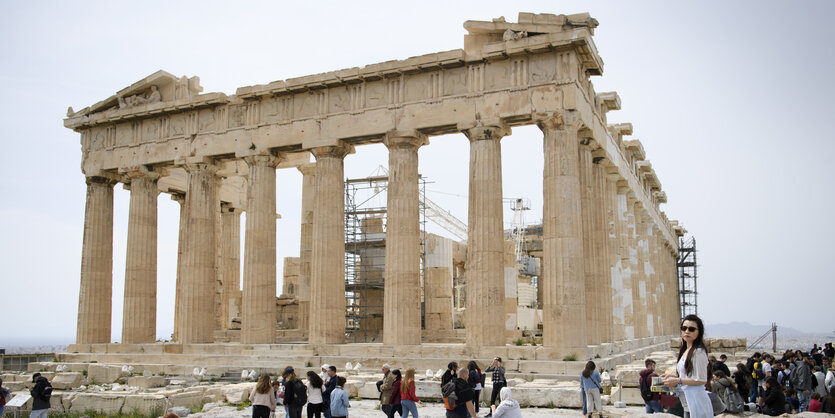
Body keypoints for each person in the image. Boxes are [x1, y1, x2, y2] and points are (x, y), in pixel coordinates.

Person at [662, 314, 712, 418]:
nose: (687, 331)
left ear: (699, 332)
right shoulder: (686, 350)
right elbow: (687, 376)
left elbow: (701, 379)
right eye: (684, 328)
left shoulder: (698, 352)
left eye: (691, 329)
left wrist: (677, 381)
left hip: (696, 402)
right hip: (687, 402)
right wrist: (672, 378)